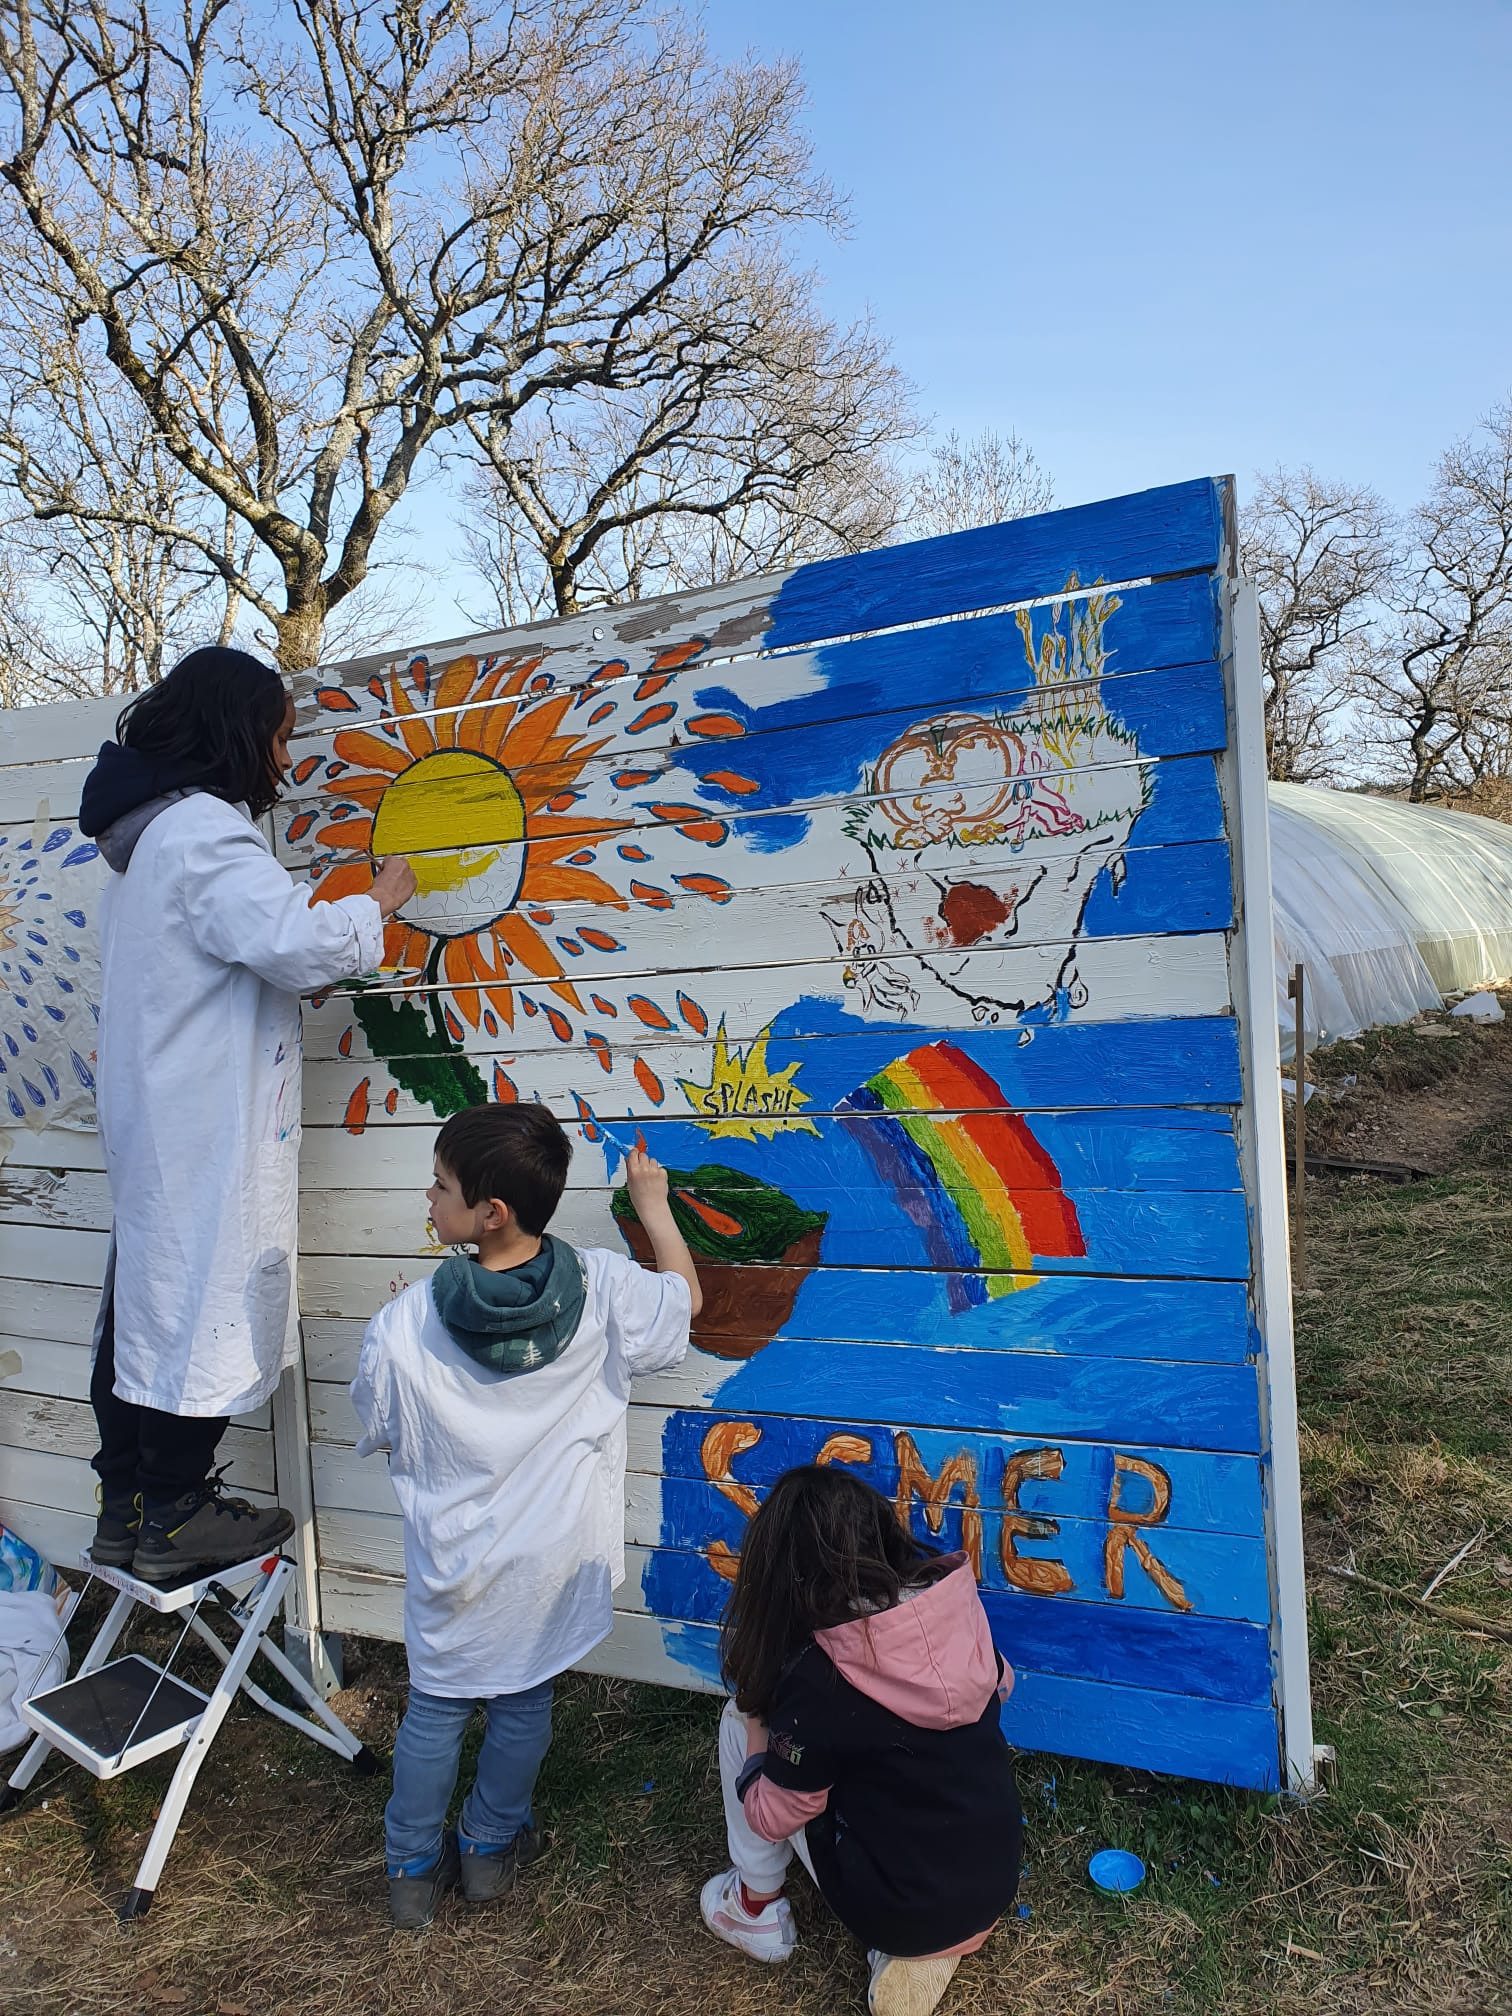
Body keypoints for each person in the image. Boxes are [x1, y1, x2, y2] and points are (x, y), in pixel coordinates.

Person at [79, 645, 416, 1583]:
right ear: (237, 733)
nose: (283, 760)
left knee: (146, 1301)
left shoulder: (146, 843)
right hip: (203, 1121)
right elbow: (298, 943)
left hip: (164, 1111)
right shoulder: (202, 836)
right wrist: (378, 901)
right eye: (277, 737)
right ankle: (180, 1514)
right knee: (201, 1302)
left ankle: (128, 1507)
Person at [348, 1102, 700, 1930]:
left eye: (440, 1185)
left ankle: (409, 1870)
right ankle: (488, 1852)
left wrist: (405, 1340)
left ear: (489, 1213)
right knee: (523, 1702)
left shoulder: (405, 1324)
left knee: (436, 1704)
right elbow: (681, 1305)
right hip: (551, 1561)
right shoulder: (608, 1287)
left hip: (457, 1569)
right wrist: (653, 1208)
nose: (428, 1197)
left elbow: (382, 1426)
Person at [704, 1465, 1023, 2016]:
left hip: (901, 1909)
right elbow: (1004, 1683)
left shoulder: (817, 1680)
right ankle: (929, 1941)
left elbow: (773, 1816)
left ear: (781, 1571)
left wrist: (762, 1723)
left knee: (739, 1716)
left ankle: (755, 1906)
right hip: (993, 1880)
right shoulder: (950, 1608)